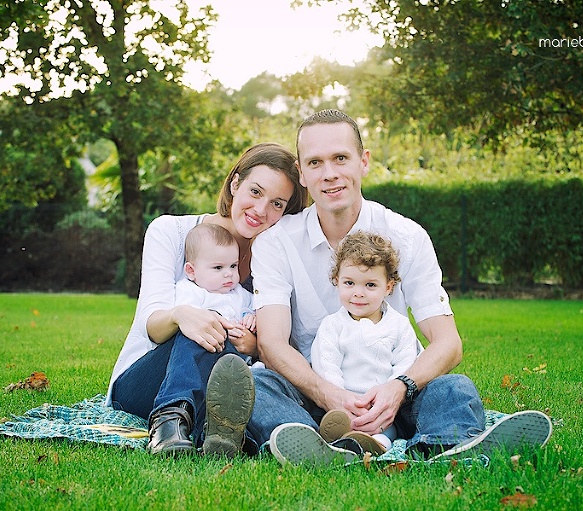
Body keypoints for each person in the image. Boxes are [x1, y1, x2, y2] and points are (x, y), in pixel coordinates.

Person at [236, 109, 552, 465]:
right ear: (302, 173)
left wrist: (400, 387)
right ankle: (318, 446)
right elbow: (272, 342)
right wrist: (327, 393)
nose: (330, 174)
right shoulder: (276, 242)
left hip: (397, 392)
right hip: (316, 393)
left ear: (363, 161)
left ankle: (447, 449)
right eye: (315, 163)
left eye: (341, 158)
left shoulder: (407, 236)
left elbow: (448, 343)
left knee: (454, 387)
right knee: (258, 387)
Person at [105, 142, 308, 458]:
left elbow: (284, 348)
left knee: (236, 374)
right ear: (235, 183)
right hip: (147, 382)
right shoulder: (171, 231)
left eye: (277, 204)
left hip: (224, 382)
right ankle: (168, 420)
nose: (261, 210)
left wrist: (256, 345)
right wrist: (183, 315)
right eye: (255, 192)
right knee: (207, 326)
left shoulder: (275, 262)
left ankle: (221, 437)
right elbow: (153, 327)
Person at [311, 231, 421, 454]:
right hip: (342, 404)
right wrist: (344, 400)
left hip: (386, 408)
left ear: (388, 287)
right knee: (332, 419)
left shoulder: (398, 325)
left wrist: (386, 399)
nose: (358, 293)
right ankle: (341, 438)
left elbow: (405, 365)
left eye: (370, 285)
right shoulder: (333, 326)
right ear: (337, 281)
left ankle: (376, 444)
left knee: (387, 428)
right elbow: (326, 366)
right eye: (349, 283)